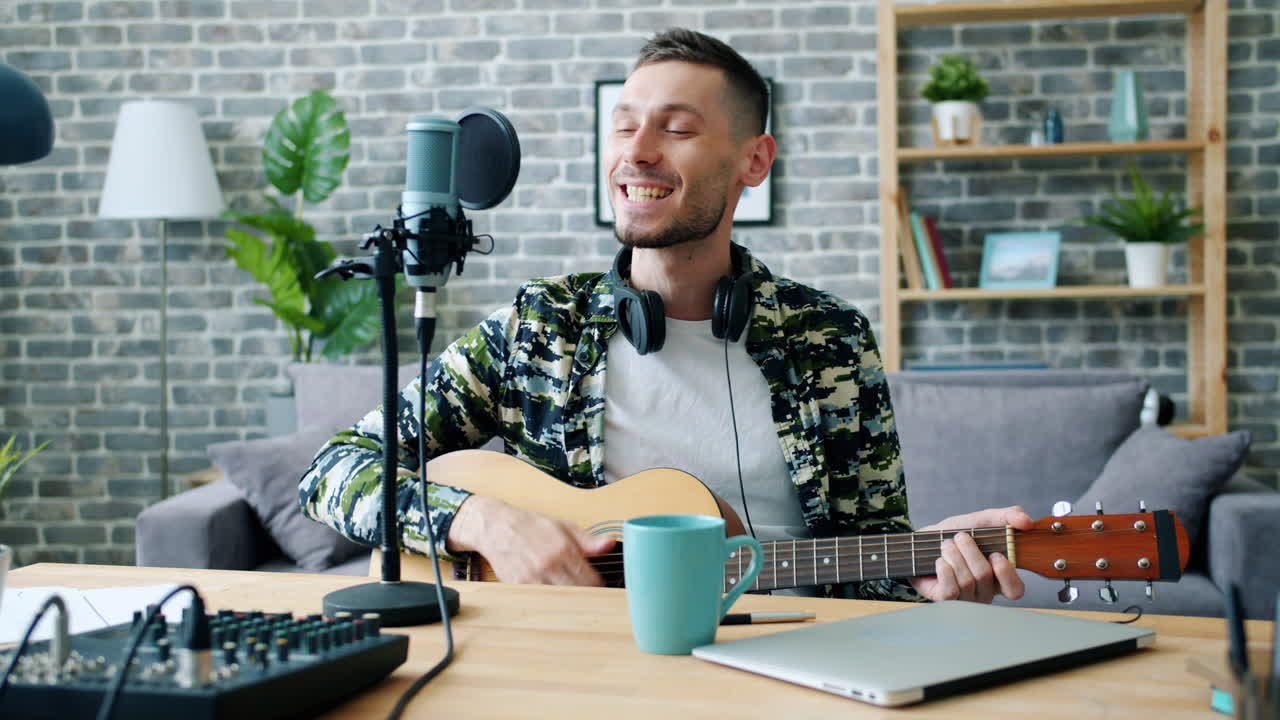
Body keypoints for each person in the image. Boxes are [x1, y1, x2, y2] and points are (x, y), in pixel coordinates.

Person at [300, 28, 1032, 604]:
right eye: (624, 128)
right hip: (584, 671)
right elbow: (334, 469)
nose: (637, 153)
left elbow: (872, 560)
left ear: (754, 160)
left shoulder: (831, 343)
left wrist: (924, 579)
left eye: (675, 129)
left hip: (800, 661)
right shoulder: (539, 328)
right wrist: (484, 521)